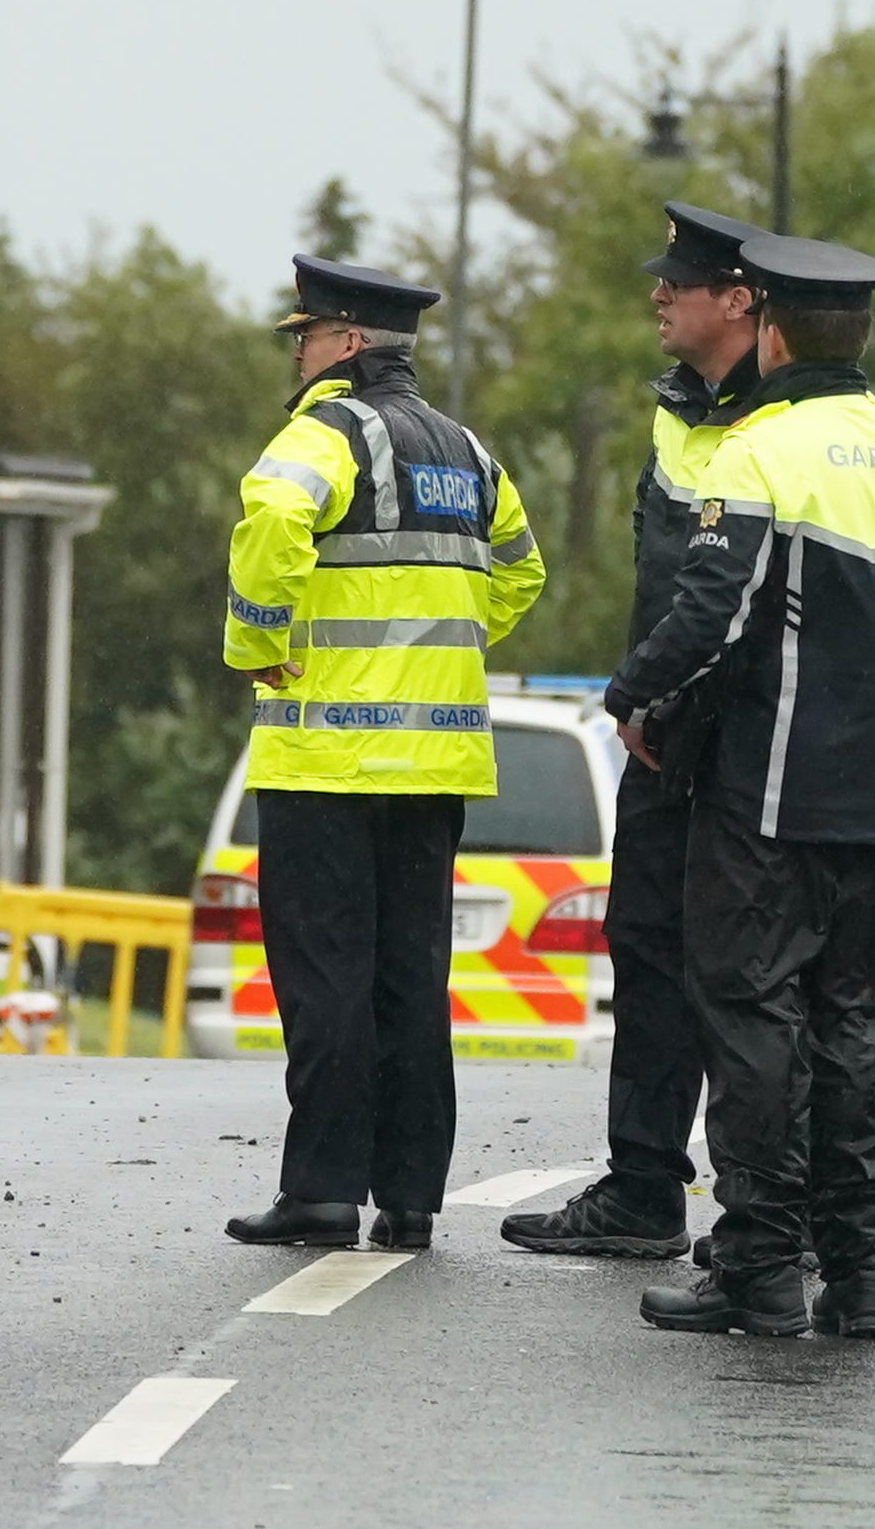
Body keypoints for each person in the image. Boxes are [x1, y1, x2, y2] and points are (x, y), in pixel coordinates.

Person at [607, 233, 875, 1339]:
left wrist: (637, 700)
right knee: (858, 1029)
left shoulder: (757, 450)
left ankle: (756, 1262)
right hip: (869, 804)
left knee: (753, 1014)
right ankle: (859, 1272)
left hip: (762, 794)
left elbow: (711, 612)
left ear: (770, 330)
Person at [219, 253, 547, 1253]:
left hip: (324, 763)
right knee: (411, 980)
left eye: (308, 333)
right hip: (434, 768)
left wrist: (259, 645)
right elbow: (521, 571)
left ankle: (320, 1191)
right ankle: (409, 1197)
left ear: (348, 341)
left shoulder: (319, 434)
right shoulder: (462, 447)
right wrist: (437, 642)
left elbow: (271, 518)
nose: (300, 350)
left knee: (325, 982)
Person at [505, 204, 774, 1265]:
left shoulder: (781, 420)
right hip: (663, 733)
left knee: (744, 977)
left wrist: (653, 691)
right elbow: (663, 581)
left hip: (750, 739)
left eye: (682, 278)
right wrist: (643, 699)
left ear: (741, 300)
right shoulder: (677, 412)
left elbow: (739, 598)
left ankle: (761, 1217)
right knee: (648, 951)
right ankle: (642, 1185)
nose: (658, 291)